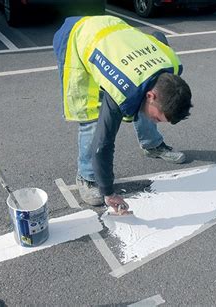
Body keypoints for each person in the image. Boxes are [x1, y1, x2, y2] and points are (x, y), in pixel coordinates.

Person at [53, 15, 192, 214]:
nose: (157, 121)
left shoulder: (172, 65)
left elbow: (158, 36)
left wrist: (156, 112)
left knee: (146, 105)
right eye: (159, 119)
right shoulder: (123, 89)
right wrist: (108, 192)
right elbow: (103, 144)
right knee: (91, 115)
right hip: (76, 38)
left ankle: (152, 145)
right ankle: (87, 176)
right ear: (151, 95)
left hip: (112, 31)